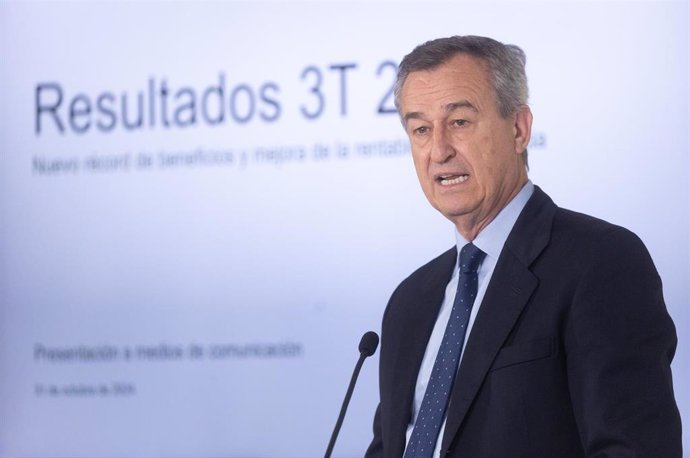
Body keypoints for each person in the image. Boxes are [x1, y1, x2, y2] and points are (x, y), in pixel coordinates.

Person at [365, 35, 681, 458]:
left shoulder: (601, 263)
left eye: (459, 122)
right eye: (421, 129)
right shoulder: (409, 301)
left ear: (518, 129)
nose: (438, 150)